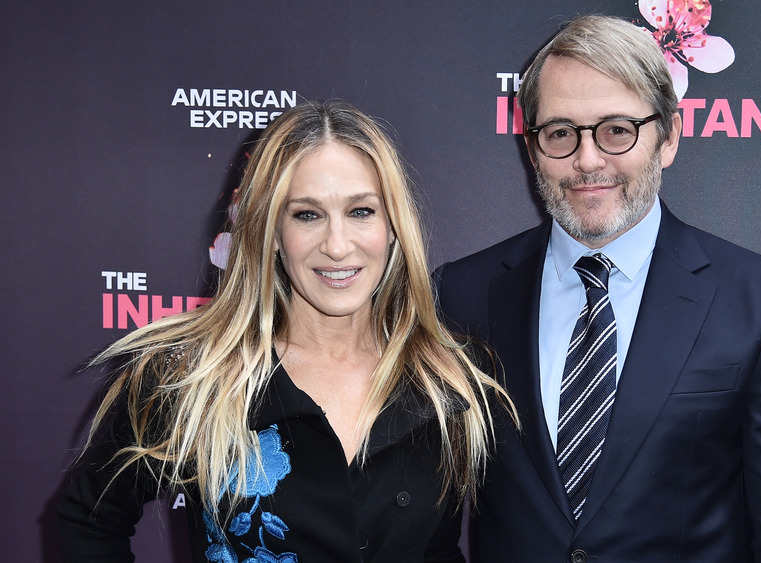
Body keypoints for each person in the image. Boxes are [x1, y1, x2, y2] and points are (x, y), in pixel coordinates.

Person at [434, 14, 761, 562]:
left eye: (616, 130)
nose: (587, 160)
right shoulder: (461, 295)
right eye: (560, 133)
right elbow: (422, 526)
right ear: (531, 147)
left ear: (668, 136)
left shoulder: (759, 300)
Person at [59, 100, 512, 562]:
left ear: (394, 227)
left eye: (361, 211)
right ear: (271, 231)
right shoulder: (193, 376)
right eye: (307, 215)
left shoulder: (451, 382)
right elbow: (90, 519)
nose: (337, 245)